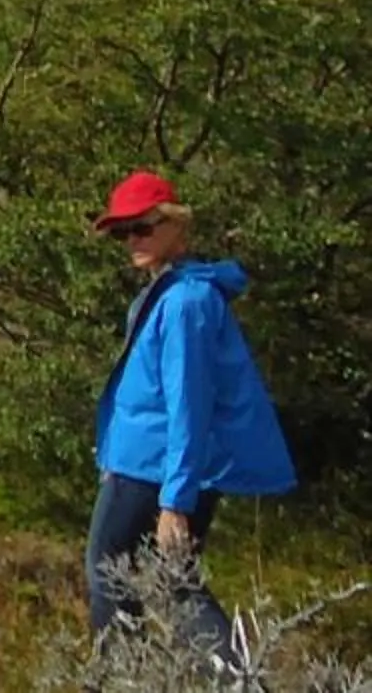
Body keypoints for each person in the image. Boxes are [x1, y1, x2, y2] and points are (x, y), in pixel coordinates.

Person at [85, 170, 295, 667]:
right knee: (172, 583)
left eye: (143, 227)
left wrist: (175, 501)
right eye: (123, 232)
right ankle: (229, 679)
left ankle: (128, 678)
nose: (132, 240)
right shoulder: (173, 293)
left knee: (113, 574)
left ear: (176, 227)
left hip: (155, 471)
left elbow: (189, 404)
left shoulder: (185, 302)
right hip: (152, 466)